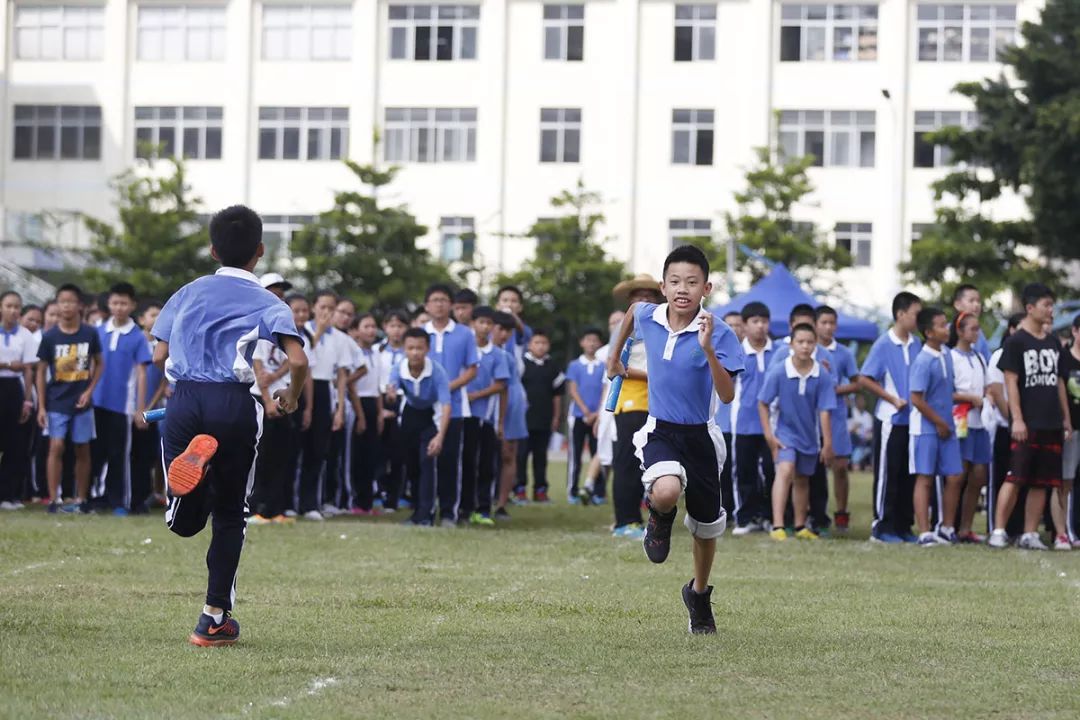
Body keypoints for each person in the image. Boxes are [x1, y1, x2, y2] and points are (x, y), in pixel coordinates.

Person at [151, 205, 308, 646]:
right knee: (232, 514)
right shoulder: (268, 301)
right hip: (234, 403)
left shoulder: (187, 292)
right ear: (260, 251)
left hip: (183, 402)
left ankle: (191, 487)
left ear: (212, 249)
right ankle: (213, 618)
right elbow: (297, 360)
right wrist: (290, 397)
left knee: (183, 523)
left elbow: (158, 356)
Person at [607, 245, 744, 634]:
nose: (683, 289)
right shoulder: (649, 314)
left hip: (702, 435)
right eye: (675, 281)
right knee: (665, 490)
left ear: (707, 288)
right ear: (664, 287)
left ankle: (698, 594)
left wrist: (708, 351)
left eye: (692, 282)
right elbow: (632, 313)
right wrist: (614, 358)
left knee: (705, 527)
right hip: (661, 429)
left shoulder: (719, 331)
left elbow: (729, 394)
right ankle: (659, 517)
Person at [989, 284, 1073, 550]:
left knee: (1042, 482)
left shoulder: (1052, 343)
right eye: (1046, 305)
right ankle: (999, 530)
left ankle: (1030, 532)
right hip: (1027, 422)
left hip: (1051, 422)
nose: (1051, 311)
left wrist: (1066, 419)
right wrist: (1017, 418)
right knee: (1015, 477)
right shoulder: (1016, 343)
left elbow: (1059, 383)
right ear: (1030, 308)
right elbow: (1010, 383)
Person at [758, 322, 835, 541]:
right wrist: (769, 436)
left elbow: (825, 411)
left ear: (816, 344)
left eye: (810, 342)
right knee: (785, 469)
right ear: (791, 344)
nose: (805, 346)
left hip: (809, 437)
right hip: (785, 434)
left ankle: (801, 526)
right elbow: (763, 402)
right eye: (800, 342)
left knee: (802, 479)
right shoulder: (780, 370)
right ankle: (778, 525)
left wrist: (828, 444)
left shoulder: (822, 375)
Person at [858, 291, 923, 543]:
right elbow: (865, 378)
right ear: (901, 314)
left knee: (909, 474)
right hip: (890, 420)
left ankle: (904, 526)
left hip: (914, 421)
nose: (918, 319)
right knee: (888, 473)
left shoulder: (917, 344)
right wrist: (892, 399)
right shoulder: (884, 344)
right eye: (915, 314)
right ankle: (882, 526)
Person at [36, 283, 103, 513]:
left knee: (82, 449)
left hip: (82, 403)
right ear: (57, 304)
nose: (66, 306)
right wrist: (42, 407)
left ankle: (81, 499)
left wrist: (89, 391)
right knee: (56, 446)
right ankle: (54, 499)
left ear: (79, 305)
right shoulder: (50, 336)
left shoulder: (89, 333)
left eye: (71, 301)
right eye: (62, 301)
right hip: (56, 400)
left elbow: (100, 363)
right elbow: (40, 371)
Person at [608, 275, 665, 539]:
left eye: (649, 296)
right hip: (630, 403)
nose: (644, 301)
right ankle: (625, 521)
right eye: (638, 297)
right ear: (631, 301)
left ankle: (638, 518)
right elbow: (615, 367)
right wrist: (655, 375)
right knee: (627, 463)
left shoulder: (659, 326)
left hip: (654, 404)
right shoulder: (624, 328)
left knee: (648, 465)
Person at [249, 296, 314, 526]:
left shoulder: (302, 339)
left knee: (282, 456)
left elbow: (304, 369)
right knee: (261, 455)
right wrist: (267, 402)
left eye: (304, 311)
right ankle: (255, 507)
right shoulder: (263, 332)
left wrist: (304, 405)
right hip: (262, 399)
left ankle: (276, 508)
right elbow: (259, 370)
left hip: (288, 399)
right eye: (294, 311)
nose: (299, 316)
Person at [89, 282, 152, 515]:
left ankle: (120, 501)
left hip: (122, 406)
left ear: (132, 305)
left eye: (124, 303)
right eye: (115, 302)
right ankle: (96, 497)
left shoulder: (136, 336)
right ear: (108, 303)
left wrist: (140, 408)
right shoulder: (98, 330)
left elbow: (142, 373)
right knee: (96, 452)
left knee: (120, 454)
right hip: (96, 402)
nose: (119, 307)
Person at [424, 283, 479, 526]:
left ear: (451, 305)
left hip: (454, 406)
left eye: (444, 300)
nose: (439, 304)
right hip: (423, 405)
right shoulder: (419, 332)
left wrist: (448, 387)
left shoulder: (465, 334)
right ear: (427, 305)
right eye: (434, 300)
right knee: (422, 460)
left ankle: (448, 512)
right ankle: (423, 510)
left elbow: (472, 369)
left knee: (449, 460)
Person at [909, 307, 963, 546]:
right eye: (942, 325)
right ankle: (924, 531)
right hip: (927, 428)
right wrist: (939, 422)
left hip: (947, 427)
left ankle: (947, 527)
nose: (947, 329)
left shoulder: (947, 355)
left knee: (954, 476)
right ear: (929, 332)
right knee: (925, 478)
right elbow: (916, 398)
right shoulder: (922, 360)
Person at [387, 327, 451, 527]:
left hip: (430, 417)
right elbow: (392, 385)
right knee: (412, 466)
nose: (415, 352)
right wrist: (391, 392)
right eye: (411, 348)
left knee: (427, 463)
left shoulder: (438, 372)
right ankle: (416, 512)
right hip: (410, 416)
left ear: (428, 349)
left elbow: (446, 405)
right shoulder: (399, 367)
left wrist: (440, 436)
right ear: (405, 349)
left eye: (419, 348)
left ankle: (427, 514)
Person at [300, 291, 351, 521]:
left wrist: (339, 408)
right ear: (314, 307)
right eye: (322, 307)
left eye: (331, 308)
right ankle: (285, 502)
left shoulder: (340, 339)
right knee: (295, 449)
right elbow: (305, 356)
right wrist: (318, 331)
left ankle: (310, 502)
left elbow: (342, 375)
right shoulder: (303, 330)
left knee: (318, 449)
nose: (326, 312)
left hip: (324, 390)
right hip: (301, 387)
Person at [730, 301, 776, 535]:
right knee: (744, 471)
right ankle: (745, 517)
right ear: (745, 326)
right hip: (744, 422)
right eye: (755, 322)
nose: (760, 326)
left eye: (764, 321)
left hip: (773, 424)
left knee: (771, 470)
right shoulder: (735, 352)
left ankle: (770, 516)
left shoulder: (779, 352)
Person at [814, 306, 860, 534]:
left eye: (832, 323)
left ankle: (841, 513)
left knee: (840, 466)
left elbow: (857, 382)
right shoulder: (806, 349)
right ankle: (814, 515)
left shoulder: (844, 353)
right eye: (824, 322)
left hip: (837, 415)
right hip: (811, 417)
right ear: (815, 324)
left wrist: (835, 390)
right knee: (812, 468)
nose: (828, 327)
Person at [463, 306, 510, 525]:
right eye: (481, 322)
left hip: (486, 417)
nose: (485, 327)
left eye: (489, 323)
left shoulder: (498, 354)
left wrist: (500, 421)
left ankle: (482, 508)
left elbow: (502, 387)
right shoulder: (465, 349)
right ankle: (463, 507)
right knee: (465, 462)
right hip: (462, 415)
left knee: (486, 464)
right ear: (472, 323)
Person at [949, 311, 990, 543]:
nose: (977, 333)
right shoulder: (951, 358)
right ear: (960, 331)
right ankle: (949, 525)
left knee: (978, 474)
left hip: (979, 423)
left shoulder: (979, 358)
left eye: (978, 328)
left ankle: (966, 527)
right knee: (958, 474)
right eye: (972, 329)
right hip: (960, 421)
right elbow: (947, 392)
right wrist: (968, 398)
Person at [985, 313, 1025, 539]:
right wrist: (1013, 419)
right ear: (1011, 329)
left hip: (1026, 427)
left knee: (1022, 479)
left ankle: (1018, 528)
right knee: (1002, 477)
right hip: (1005, 427)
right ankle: (996, 527)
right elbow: (998, 392)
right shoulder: (1000, 356)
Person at [0, 291, 38, 510]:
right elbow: (13, 365)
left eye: (17, 307)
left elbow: (28, 369)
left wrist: (27, 401)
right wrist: (6, 365)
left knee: (15, 444)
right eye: (9, 306)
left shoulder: (25, 335)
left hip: (14, 388)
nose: (13, 311)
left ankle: (8, 494)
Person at [517, 330, 564, 504]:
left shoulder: (552, 367)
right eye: (537, 342)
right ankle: (519, 489)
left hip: (544, 419)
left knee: (541, 457)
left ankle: (540, 490)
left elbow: (557, 395)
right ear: (530, 345)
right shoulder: (521, 365)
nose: (540, 346)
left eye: (544, 343)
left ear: (548, 345)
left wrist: (556, 417)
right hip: (523, 420)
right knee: (521, 456)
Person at [585, 310, 625, 508]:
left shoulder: (636, 345)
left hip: (631, 405)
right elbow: (606, 385)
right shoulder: (604, 353)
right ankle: (590, 486)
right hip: (610, 407)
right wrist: (602, 413)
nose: (617, 324)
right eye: (613, 322)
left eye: (621, 321)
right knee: (604, 449)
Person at [323, 296, 358, 516]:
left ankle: (334, 499)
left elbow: (352, 371)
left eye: (348, 314)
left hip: (337, 402)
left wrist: (341, 406)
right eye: (341, 312)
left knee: (334, 454)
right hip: (313, 398)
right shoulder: (309, 331)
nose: (344, 317)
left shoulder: (344, 340)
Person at [491, 311, 528, 520]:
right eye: (500, 329)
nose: (503, 334)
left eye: (508, 331)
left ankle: (502, 503)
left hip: (512, 404)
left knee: (508, 454)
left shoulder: (510, 355)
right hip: (487, 404)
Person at [347, 313, 384, 515]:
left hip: (372, 403)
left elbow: (378, 386)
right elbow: (350, 385)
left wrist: (379, 413)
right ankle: (356, 501)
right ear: (356, 330)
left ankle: (368, 503)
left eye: (373, 326)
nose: (371, 330)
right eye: (366, 326)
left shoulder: (377, 353)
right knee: (357, 456)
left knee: (371, 455)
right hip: (357, 403)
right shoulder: (353, 353)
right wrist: (360, 415)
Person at [565, 327, 605, 504]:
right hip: (578, 416)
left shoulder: (603, 365)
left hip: (598, 418)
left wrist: (597, 413)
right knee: (575, 456)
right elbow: (572, 390)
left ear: (600, 343)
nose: (591, 343)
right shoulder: (575, 365)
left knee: (599, 454)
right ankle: (572, 491)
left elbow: (606, 388)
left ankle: (598, 493)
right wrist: (586, 411)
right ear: (582, 343)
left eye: (595, 340)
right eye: (588, 339)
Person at [378, 309, 409, 509]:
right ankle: (379, 491)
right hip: (379, 400)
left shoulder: (410, 351)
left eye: (400, 326)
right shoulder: (377, 350)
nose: (396, 331)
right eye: (392, 326)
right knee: (380, 451)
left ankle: (394, 497)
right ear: (385, 328)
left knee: (399, 453)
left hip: (403, 400)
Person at [715, 310, 745, 521]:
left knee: (742, 470)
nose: (734, 329)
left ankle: (741, 511)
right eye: (730, 325)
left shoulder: (750, 353)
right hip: (721, 422)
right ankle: (724, 509)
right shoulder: (715, 352)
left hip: (744, 424)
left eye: (738, 325)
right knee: (722, 471)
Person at [1061, 313, 1080, 547]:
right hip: (1072, 428)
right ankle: (1066, 530)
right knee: (1067, 479)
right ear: (1074, 331)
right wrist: (1066, 422)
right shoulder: (1064, 359)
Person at [495, 285, 532, 370]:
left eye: (514, 301)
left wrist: (512, 316)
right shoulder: (489, 327)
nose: (509, 304)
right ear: (497, 305)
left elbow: (525, 334)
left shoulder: (524, 329)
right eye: (505, 300)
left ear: (520, 307)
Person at [952, 284, 991, 362]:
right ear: (957, 304)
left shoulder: (980, 333)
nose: (976, 305)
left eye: (978, 301)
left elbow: (988, 361)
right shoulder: (947, 331)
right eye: (971, 300)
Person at [848, 395, 873, 471]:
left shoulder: (868, 415)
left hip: (865, 443)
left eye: (862, 401)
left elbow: (870, 430)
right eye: (859, 400)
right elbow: (849, 430)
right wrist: (855, 428)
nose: (861, 403)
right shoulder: (851, 413)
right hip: (853, 443)